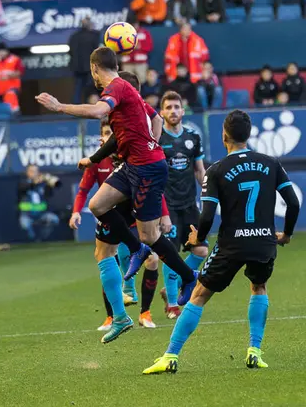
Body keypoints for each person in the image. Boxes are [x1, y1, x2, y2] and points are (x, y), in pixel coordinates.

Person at [36, 47, 198, 343]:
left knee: (151, 236)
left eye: (92, 71)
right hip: (133, 166)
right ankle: (134, 250)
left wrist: (60, 107)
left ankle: (188, 276)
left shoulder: (116, 88)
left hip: (148, 169)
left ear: (95, 68)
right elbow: (156, 118)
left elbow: (99, 111)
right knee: (97, 205)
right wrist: (145, 142)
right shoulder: (129, 90)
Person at [143, 110, 300, 374]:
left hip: (231, 245)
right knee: (258, 287)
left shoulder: (217, 170)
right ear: (248, 135)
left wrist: (198, 239)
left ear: (224, 135)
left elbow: (206, 215)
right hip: (263, 242)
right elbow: (293, 202)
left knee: (199, 295)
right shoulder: (271, 163)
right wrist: (286, 234)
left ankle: (170, 356)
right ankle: (254, 351)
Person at [71, 116, 164, 334]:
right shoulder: (98, 162)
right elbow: (84, 189)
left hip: (136, 211)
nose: (108, 138)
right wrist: (76, 211)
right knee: (105, 254)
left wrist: (164, 214)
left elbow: (154, 187)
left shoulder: (133, 154)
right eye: (105, 134)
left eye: (111, 134)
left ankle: (144, 312)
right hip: (112, 214)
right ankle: (113, 315)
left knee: (151, 259)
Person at [157, 91, 208, 320]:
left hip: (189, 205)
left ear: (183, 110)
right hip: (168, 207)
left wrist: (209, 194)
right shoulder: (158, 139)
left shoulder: (193, 137)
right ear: (162, 112)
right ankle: (171, 304)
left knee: (201, 250)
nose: (173, 111)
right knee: (170, 254)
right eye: (168, 108)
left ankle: (175, 282)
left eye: (176, 107)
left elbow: (199, 170)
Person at [18, 165, 60, 242]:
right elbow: (25, 188)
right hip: (27, 214)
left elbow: (50, 193)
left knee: (54, 219)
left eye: (36, 171)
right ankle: (32, 240)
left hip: (41, 214)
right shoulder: (23, 182)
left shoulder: (42, 185)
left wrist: (49, 183)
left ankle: (42, 239)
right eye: (32, 171)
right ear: (27, 173)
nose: (34, 173)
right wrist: (37, 181)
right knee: (25, 225)